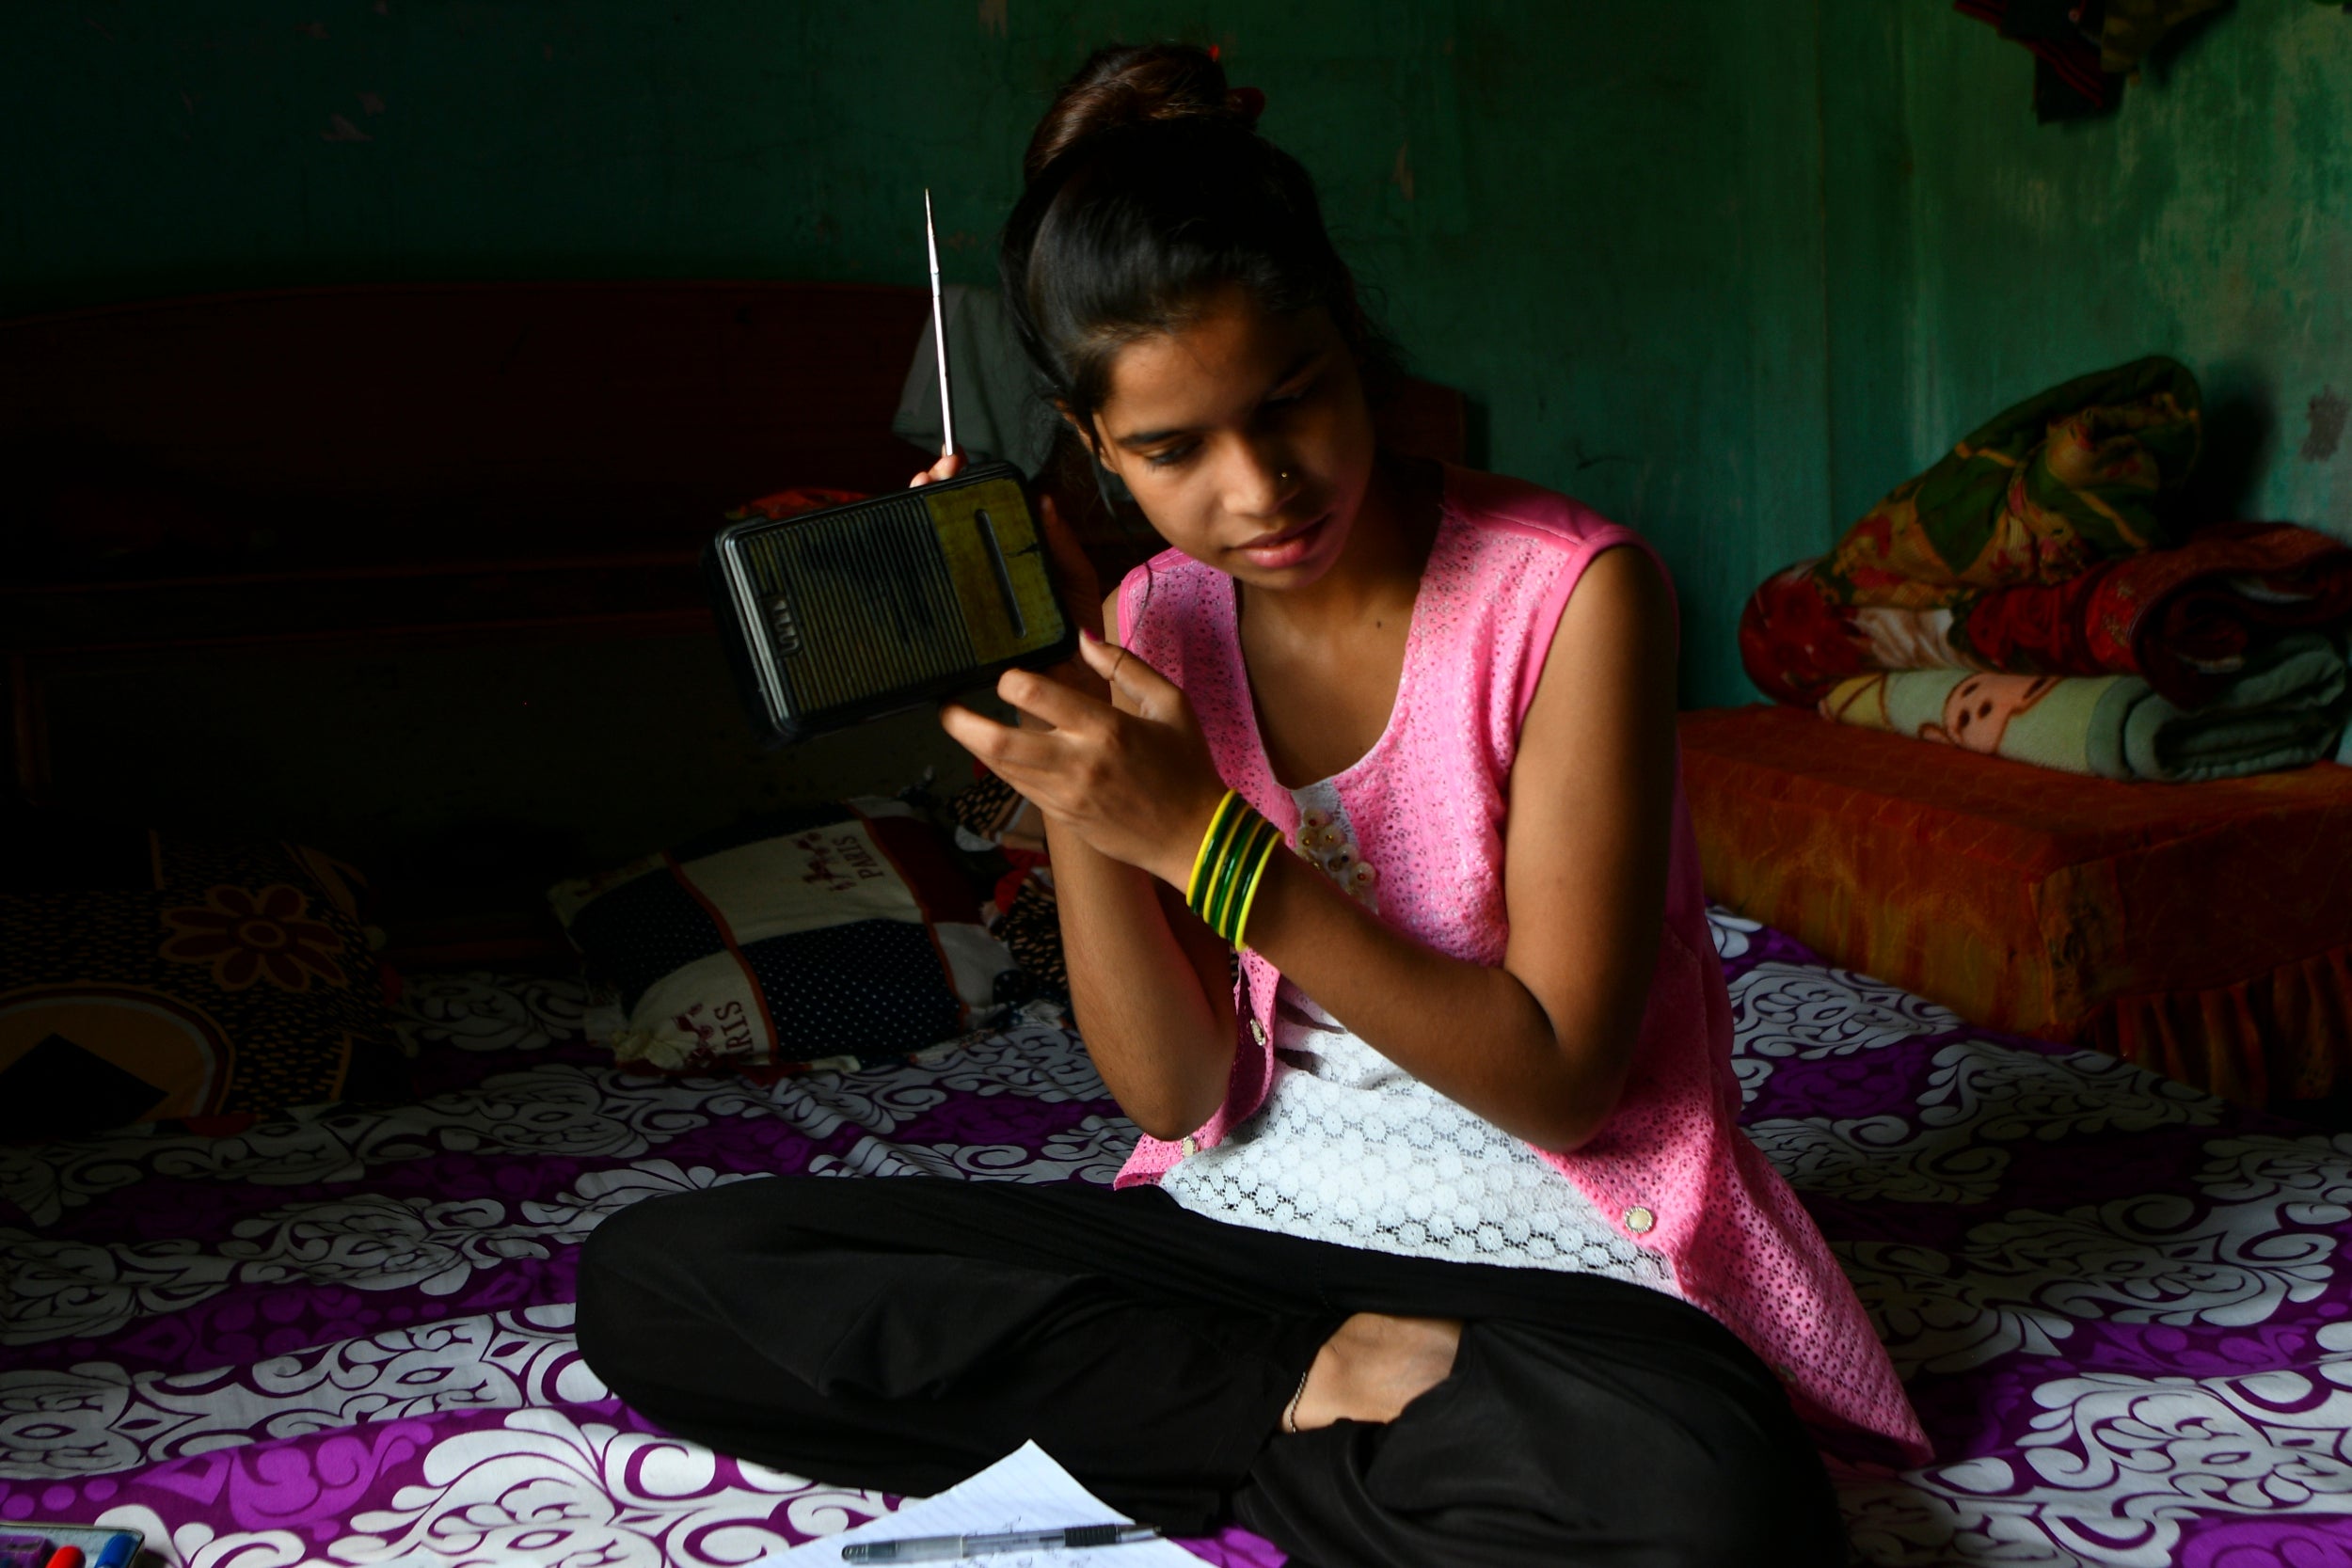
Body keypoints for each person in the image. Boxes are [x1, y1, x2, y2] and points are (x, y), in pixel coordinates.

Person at [577, 42, 1925, 1567]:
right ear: (1093, 450)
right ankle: (1304, 1398)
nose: (1260, 486)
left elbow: (1561, 1084)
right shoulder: (1155, 620)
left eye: (1293, 403)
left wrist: (1201, 841)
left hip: (1568, 1265)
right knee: (664, 1276)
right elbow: (1168, 1097)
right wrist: (1074, 731)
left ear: (1355, 346)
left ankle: (1239, 1432)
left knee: (1705, 1503)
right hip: (1241, 1244)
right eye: (1171, 449)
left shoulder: (1570, 595)